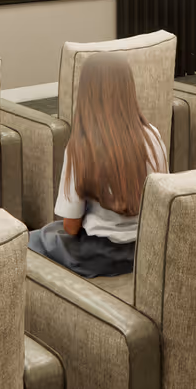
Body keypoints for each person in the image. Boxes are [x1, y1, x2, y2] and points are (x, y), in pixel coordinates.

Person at [27, 52, 166, 277]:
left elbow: (71, 226)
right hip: (144, 248)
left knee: (34, 238)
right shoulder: (153, 136)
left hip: (100, 255)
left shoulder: (81, 146)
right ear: (128, 89)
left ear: (86, 94)